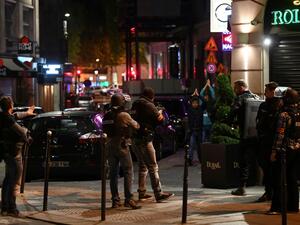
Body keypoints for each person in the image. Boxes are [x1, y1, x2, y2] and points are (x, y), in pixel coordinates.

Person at [131, 87, 174, 202]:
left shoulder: (135, 104)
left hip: (134, 140)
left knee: (142, 166)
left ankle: (141, 192)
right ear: (152, 96)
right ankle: (158, 193)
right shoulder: (149, 105)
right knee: (153, 166)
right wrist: (159, 112)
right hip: (145, 140)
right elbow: (160, 119)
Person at [104, 94, 141, 209]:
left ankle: (115, 201)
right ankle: (129, 199)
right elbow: (137, 126)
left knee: (113, 174)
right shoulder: (124, 115)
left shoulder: (106, 115)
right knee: (128, 171)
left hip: (109, 146)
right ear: (122, 103)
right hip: (122, 145)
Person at [0, 96, 34, 217]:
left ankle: (4, 207)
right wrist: (27, 133)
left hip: (6, 153)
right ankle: (12, 208)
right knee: (14, 182)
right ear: (10, 106)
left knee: (8, 180)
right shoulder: (8, 120)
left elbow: (15, 115)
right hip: (14, 153)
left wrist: (27, 113)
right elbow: (21, 131)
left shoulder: (3, 117)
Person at [267, 88, 299, 215]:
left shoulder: (284, 115)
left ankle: (277, 207)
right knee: (292, 178)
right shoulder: (298, 113)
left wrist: (274, 152)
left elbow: (280, 135)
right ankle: (293, 206)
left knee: (278, 179)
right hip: (297, 150)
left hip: (284, 151)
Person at [230, 80, 260, 196]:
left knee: (243, 161)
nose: (234, 90)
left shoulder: (240, 98)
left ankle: (241, 187)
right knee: (260, 160)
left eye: (236, 88)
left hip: (245, 135)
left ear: (242, 87)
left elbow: (233, 112)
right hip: (256, 135)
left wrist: (231, 121)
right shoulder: (256, 97)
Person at [255, 82, 281, 202]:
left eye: (267, 90)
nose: (265, 92)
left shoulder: (279, 105)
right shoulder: (264, 105)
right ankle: (269, 191)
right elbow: (259, 120)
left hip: (273, 142)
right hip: (263, 141)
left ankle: (272, 192)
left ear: (273, 91)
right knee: (264, 166)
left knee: (272, 169)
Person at [186, 93, 206, 166]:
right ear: (191, 103)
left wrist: (198, 96)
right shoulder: (190, 109)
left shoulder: (201, 109)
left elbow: (205, 102)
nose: (195, 104)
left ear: (198, 103)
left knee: (200, 147)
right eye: (193, 103)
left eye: (196, 103)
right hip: (192, 131)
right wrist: (191, 95)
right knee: (191, 146)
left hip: (200, 130)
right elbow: (186, 100)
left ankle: (201, 160)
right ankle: (190, 160)